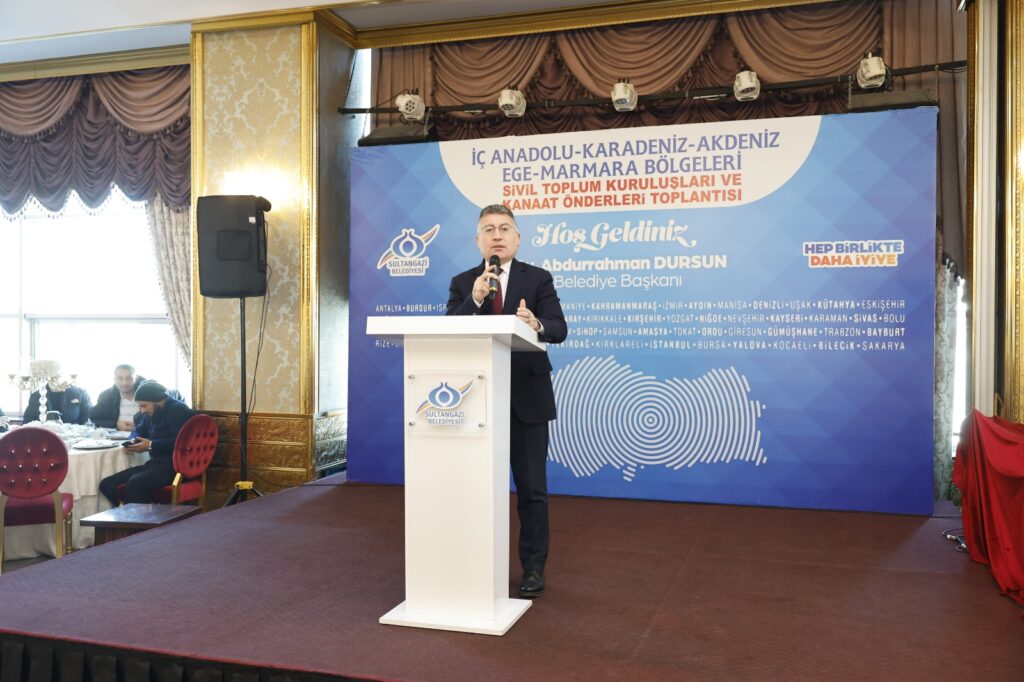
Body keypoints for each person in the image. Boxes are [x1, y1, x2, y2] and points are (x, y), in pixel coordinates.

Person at [446, 203, 568, 598]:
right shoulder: (464, 282)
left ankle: (532, 568)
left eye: (504, 228)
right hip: (476, 401)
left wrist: (536, 324)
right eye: (488, 229)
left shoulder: (539, 278)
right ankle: (475, 563)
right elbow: (449, 328)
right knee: (475, 489)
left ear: (517, 238)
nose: (496, 235)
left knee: (531, 491)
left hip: (526, 400)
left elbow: (559, 328)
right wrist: (475, 300)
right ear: (478, 240)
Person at [99, 381, 193, 505]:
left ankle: (136, 517)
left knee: (135, 483)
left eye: (144, 406)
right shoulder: (151, 412)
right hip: (154, 465)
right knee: (107, 484)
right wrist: (133, 440)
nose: (142, 411)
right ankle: (126, 513)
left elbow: (181, 443)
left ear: (158, 401)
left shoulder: (178, 410)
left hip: (175, 467)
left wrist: (151, 445)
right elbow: (138, 431)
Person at [22, 361, 93, 424]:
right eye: (53, 372)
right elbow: (27, 423)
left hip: (74, 434)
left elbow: (89, 422)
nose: (56, 376)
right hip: (44, 434)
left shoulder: (80, 394)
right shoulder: (36, 396)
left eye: (58, 372)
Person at [91, 364, 147, 430]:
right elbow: (92, 419)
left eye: (129, 378)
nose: (124, 383)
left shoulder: (147, 394)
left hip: (143, 435)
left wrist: (140, 426)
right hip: (116, 435)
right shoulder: (106, 396)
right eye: (120, 378)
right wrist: (115, 425)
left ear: (136, 378)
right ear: (114, 379)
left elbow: (156, 421)